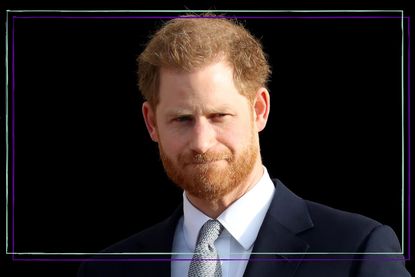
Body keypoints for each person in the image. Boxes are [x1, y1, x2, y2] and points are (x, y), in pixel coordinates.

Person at [78, 15, 410, 276]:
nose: (202, 143)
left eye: (219, 115)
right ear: (151, 123)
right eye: (182, 120)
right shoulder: (108, 269)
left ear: (259, 110)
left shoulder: (354, 251)